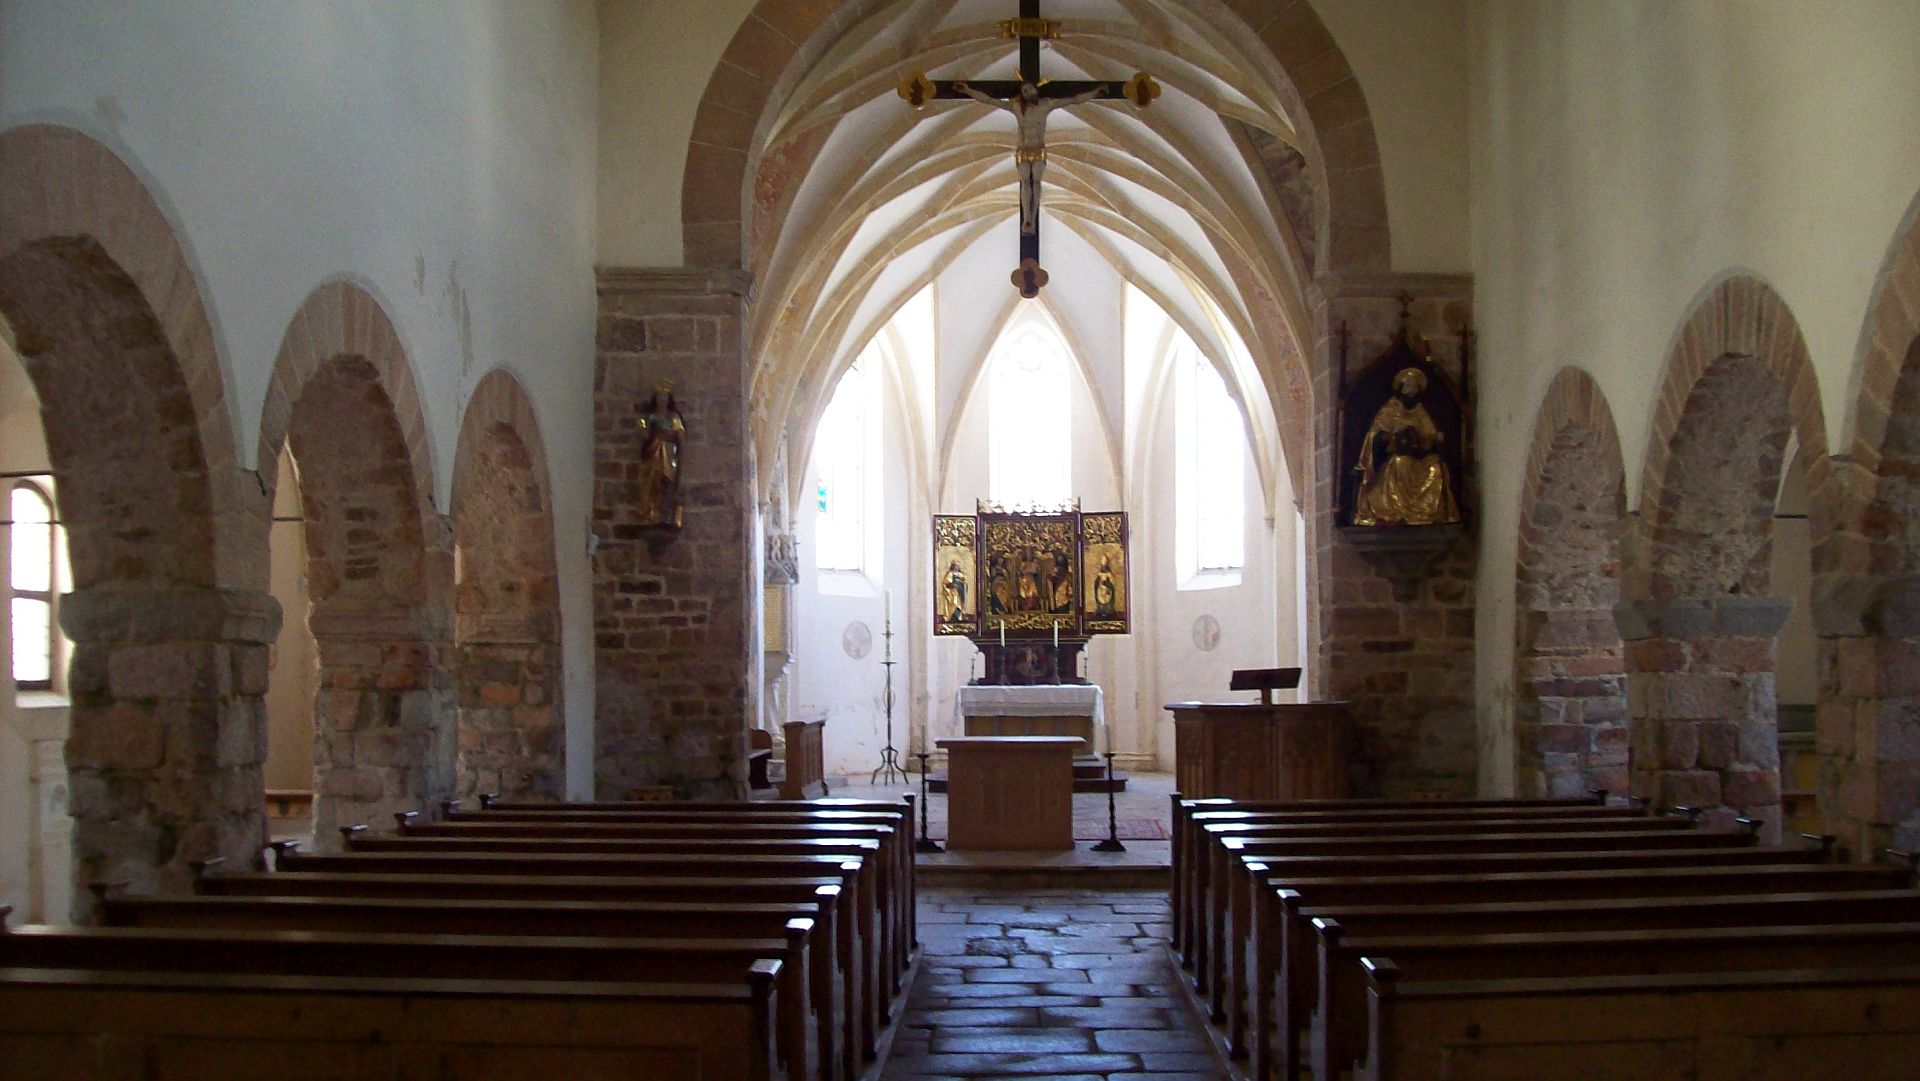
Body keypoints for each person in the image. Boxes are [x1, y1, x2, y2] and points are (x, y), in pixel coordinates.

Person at [953, 80, 1107, 235]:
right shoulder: (1016, 107)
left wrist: (1095, 93)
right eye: (1024, 90)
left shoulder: (1046, 105)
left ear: (1036, 89)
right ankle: (1027, 218)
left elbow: (1074, 99)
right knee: (1025, 183)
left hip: (1038, 150)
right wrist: (967, 90)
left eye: (1029, 88)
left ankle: (1033, 217)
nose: (1026, 92)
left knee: (1037, 183)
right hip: (1023, 151)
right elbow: (990, 100)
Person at [1352, 367, 1461, 527]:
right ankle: (1400, 511)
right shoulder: (1390, 409)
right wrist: (1391, 436)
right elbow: (1375, 434)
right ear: (1401, 388)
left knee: (1436, 467)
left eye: (1415, 386)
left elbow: (1429, 433)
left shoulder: (1420, 411)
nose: (1412, 390)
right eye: (1409, 385)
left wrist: (1435, 437)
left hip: (1419, 456)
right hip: (1397, 456)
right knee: (1401, 463)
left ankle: (1428, 513)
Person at [635, 384, 684, 528]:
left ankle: (665, 514)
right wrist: (644, 431)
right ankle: (651, 513)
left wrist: (669, 437)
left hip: (668, 453)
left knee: (666, 481)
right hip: (652, 453)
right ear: (655, 399)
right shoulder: (650, 417)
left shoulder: (673, 417)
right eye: (659, 396)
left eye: (664, 396)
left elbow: (680, 436)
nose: (662, 399)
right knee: (651, 482)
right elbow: (643, 435)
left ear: (669, 399)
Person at [942, 559, 968, 623]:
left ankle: (959, 617)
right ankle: (951, 617)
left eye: (957, 566)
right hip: (953, 592)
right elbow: (946, 583)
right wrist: (952, 585)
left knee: (959, 604)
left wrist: (963, 584)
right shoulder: (950, 573)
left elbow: (964, 580)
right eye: (955, 566)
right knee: (954, 603)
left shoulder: (960, 574)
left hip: (960, 591)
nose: (956, 567)